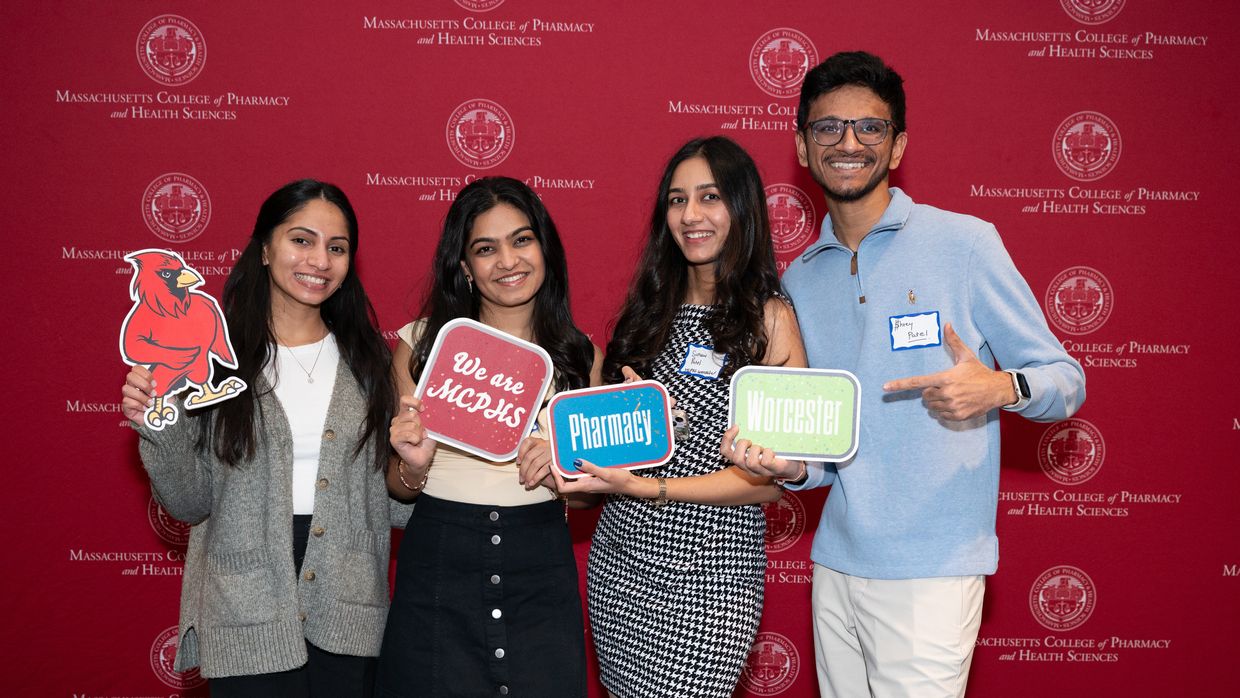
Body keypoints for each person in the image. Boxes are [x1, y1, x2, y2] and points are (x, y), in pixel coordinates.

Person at [722, 52, 1087, 697]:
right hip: (836, 562)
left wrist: (1002, 387)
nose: (849, 143)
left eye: (870, 128)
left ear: (897, 147)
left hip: (933, 570)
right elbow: (823, 456)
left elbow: (1064, 378)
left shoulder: (965, 244)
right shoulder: (800, 278)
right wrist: (782, 464)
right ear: (803, 147)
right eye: (828, 128)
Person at [121, 179, 409, 696]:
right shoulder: (208, 362)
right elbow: (189, 503)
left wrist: (420, 463)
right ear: (263, 249)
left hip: (349, 606)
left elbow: (394, 506)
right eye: (302, 240)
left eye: (337, 248)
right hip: (244, 607)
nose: (320, 260)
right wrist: (157, 426)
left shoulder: (373, 365)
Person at [556, 136, 807, 698]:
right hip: (620, 569)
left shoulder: (770, 320)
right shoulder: (648, 314)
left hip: (710, 582)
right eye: (676, 199)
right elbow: (611, 450)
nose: (690, 215)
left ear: (741, 208)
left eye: (710, 196)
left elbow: (767, 485)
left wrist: (653, 489)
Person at [375, 176, 601, 698]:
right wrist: (412, 461)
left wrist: (568, 473)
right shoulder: (421, 345)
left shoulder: (580, 355)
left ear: (544, 247)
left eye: (522, 240)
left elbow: (591, 496)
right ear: (465, 268)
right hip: (439, 560)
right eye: (485, 249)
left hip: (539, 562)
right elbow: (400, 487)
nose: (508, 261)